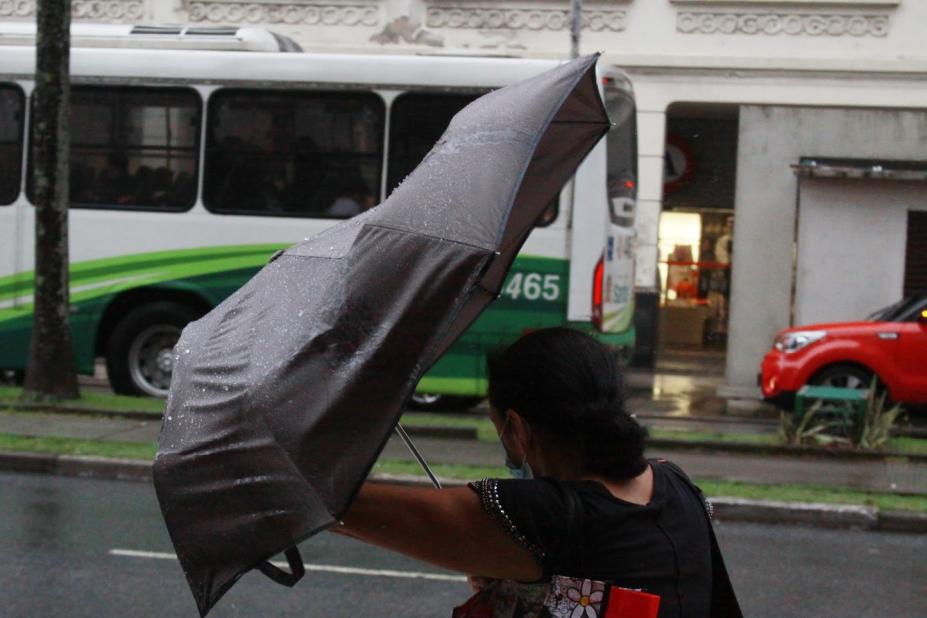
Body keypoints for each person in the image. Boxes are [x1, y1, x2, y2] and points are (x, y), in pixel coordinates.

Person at [337, 328, 737, 617]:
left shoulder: (544, 514)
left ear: (517, 429)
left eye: (500, 432)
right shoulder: (677, 484)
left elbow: (344, 506)